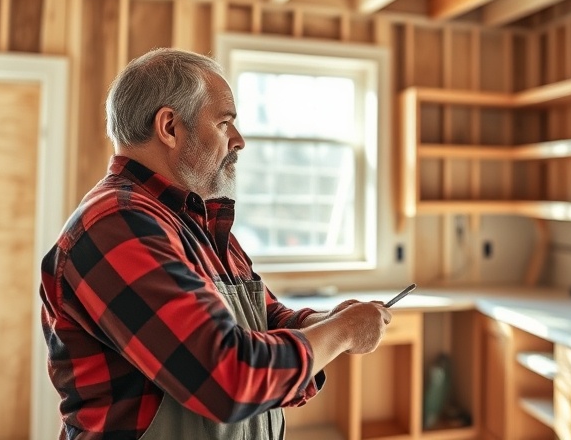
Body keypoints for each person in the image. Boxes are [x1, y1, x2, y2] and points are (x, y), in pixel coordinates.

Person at [39, 47, 392, 440]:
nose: (239, 141)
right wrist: (341, 332)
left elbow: (266, 319)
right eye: (225, 123)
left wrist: (327, 321)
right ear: (170, 127)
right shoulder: (116, 225)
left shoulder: (194, 219)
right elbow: (229, 378)